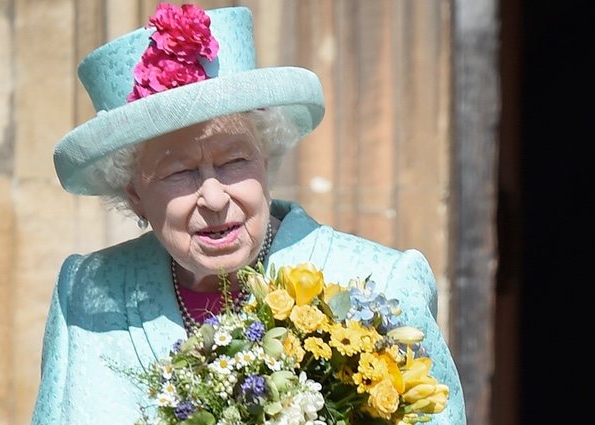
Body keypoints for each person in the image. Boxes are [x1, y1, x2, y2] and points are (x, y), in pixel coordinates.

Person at [32, 3, 466, 424]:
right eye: (179, 171)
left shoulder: (379, 285)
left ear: (266, 157)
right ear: (134, 194)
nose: (215, 198)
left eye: (235, 161)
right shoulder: (83, 295)